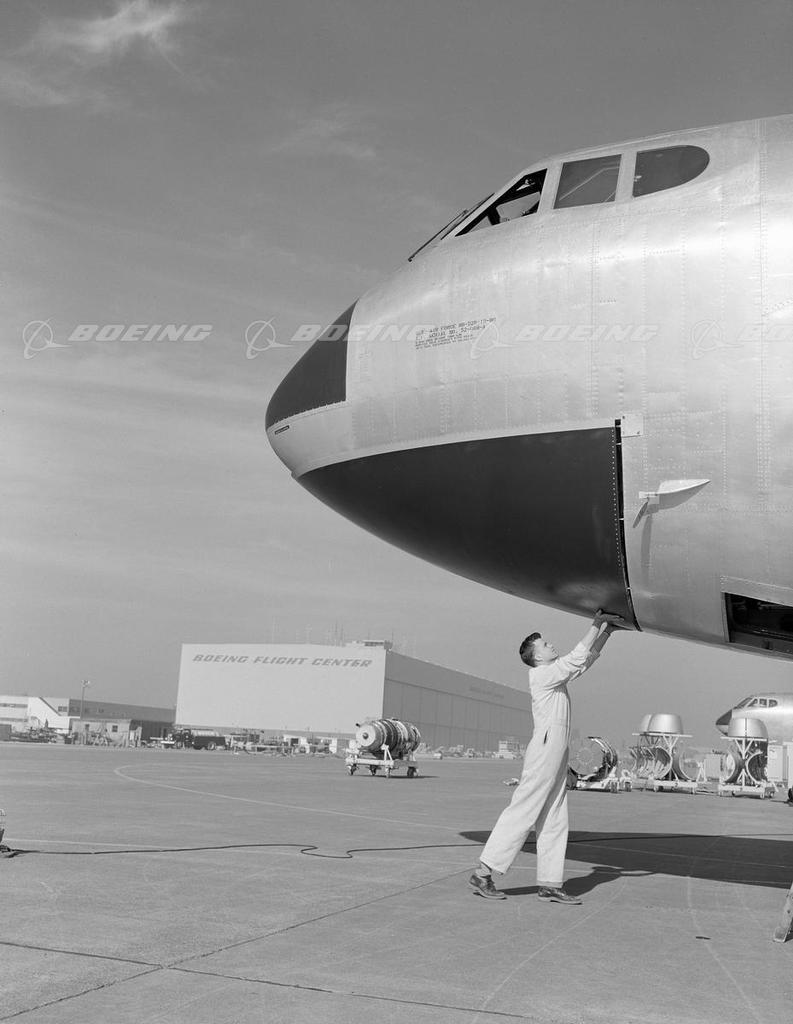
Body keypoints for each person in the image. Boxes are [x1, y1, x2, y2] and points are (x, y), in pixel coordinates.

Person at [469, 609, 625, 903]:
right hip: (544, 752)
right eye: (544, 644)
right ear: (537, 657)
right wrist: (596, 623)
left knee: (555, 815)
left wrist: (607, 632)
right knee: (524, 810)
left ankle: (550, 883)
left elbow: (584, 662)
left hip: (556, 751)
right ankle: (483, 873)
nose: (551, 645)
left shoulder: (555, 676)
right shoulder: (541, 675)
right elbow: (575, 659)